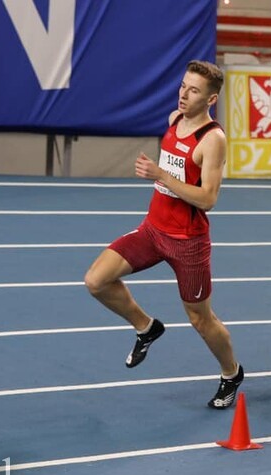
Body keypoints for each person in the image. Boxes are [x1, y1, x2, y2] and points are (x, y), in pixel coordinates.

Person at [84, 60, 244, 409]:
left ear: (211, 98)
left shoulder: (213, 139)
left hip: (188, 243)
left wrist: (160, 174)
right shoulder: (174, 120)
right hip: (153, 230)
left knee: (201, 319)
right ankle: (146, 327)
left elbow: (209, 199)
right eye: (183, 86)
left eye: (194, 90)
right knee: (96, 280)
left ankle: (231, 373)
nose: (184, 94)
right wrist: (162, 176)